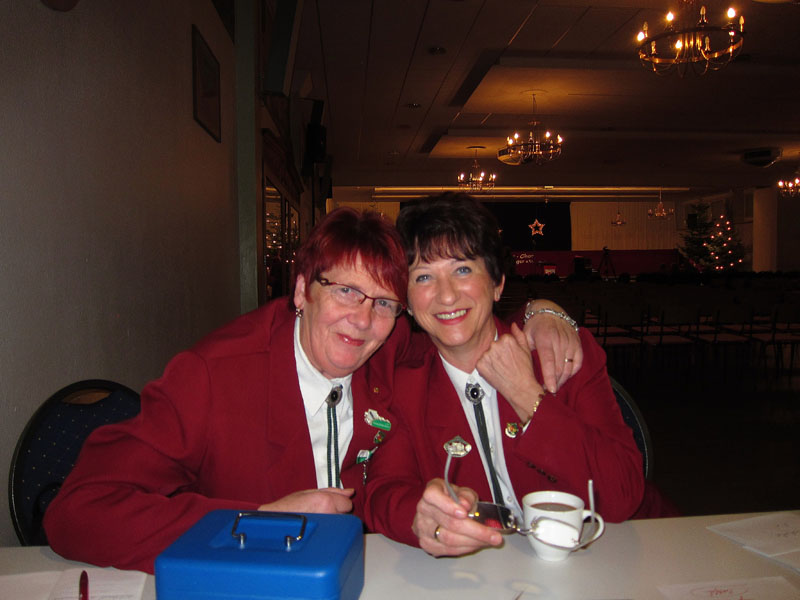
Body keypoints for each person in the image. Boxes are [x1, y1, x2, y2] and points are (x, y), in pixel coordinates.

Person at [44, 207, 581, 573]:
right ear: (302, 290)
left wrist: (543, 312)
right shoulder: (211, 377)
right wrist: (254, 522)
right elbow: (78, 513)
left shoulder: (388, 345)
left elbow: (461, 324)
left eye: (383, 302)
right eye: (345, 290)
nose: (362, 320)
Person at [364, 193, 645, 557]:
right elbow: (384, 491)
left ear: (497, 283)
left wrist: (528, 396)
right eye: (424, 277)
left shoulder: (560, 354)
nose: (446, 296)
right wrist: (418, 515)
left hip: (599, 558)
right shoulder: (405, 388)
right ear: (408, 303)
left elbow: (622, 494)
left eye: (463, 270)